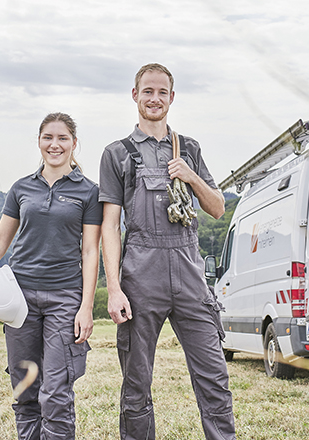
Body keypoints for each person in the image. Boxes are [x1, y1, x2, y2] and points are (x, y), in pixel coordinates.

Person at [98, 63, 236, 440]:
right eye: (148, 91)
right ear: (135, 96)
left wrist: (190, 176)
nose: (154, 99)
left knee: (214, 377)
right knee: (137, 382)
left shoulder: (189, 148)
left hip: (190, 273)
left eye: (162, 92)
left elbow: (218, 207)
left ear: (172, 98)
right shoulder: (117, 154)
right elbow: (110, 226)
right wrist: (114, 288)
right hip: (142, 275)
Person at [0, 112, 102, 440]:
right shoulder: (22, 188)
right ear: (39, 142)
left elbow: (90, 252)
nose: (55, 144)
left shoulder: (89, 192)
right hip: (18, 297)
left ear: (74, 143)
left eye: (62, 138)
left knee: (56, 392)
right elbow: (0, 241)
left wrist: (86, 307)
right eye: (48, 138)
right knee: (25, 389)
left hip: (65, 297)